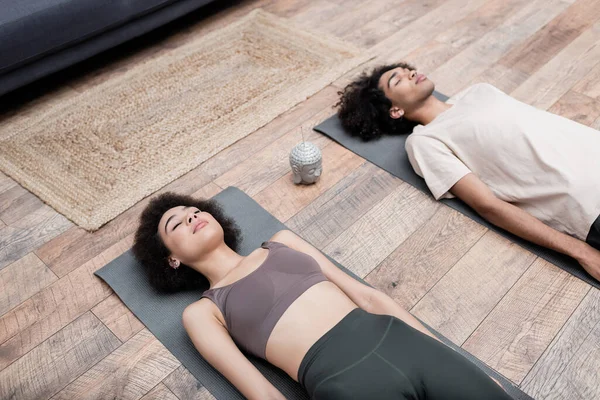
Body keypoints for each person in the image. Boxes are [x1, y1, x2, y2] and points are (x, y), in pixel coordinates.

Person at [133, 192, 513, 400]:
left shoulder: (281, 243)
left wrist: (448, 354)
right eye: (175, 223)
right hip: (344, 381)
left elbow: (370, 298)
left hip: (402, 342)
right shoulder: (202, 312)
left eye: (193, 209)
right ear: (171, 259)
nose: (191, 216)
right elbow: (260, 391)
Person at [336, 62, 600, 281]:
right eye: (398, 79)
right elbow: (488, 205)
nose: (411, 73)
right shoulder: (425, 141)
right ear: (395, 110)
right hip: (590, 203)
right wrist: (581, 252)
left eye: (408, 69)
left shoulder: (478, 91)